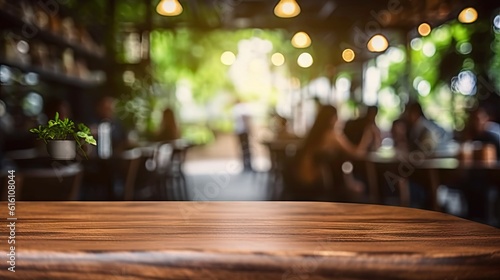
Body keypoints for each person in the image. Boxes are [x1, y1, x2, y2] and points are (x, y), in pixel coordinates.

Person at [283, 105, 372, 201]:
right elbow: (356, 154)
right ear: (333, 118)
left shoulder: (315, 134)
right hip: (316, 186)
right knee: (360, 192)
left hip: (300, 182)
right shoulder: (332, 136)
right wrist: (366, 136)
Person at [233, 98, 253, 172]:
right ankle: (247, 165)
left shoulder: (237, 109)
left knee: (244, 148)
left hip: (241, 131)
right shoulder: (241, 108)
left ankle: (246, 165)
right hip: (243, 131)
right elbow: (246, 119)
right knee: (246, 148)